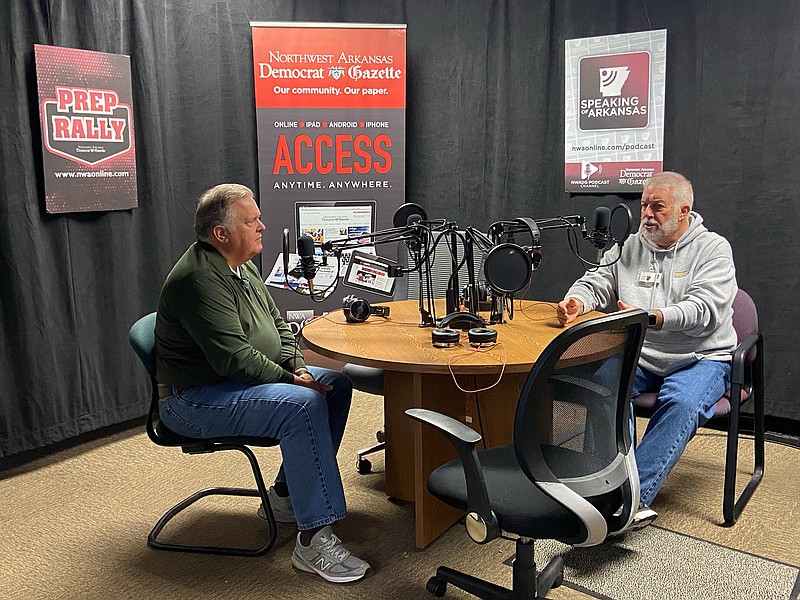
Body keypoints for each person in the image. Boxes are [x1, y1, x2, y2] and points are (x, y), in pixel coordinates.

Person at [154, 183, 369, 583]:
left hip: (235, 384)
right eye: (251, 221)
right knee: (301, 404)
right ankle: (314, 539)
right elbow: (234, 359)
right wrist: (293, 381)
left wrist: (299, 367)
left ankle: (286, 497)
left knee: (334, 386)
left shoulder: (242, 265)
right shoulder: (199, 280)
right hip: (195, 401)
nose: (263, 227)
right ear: (221, 233)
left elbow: (282, 327)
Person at [557, 171, 737, 526]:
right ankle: (607, 481)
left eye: (658, 207)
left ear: (684, 210)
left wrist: (652, 317)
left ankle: (629, 499)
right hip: (641, 352)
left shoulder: (713, 249)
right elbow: (598, 279)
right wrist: (578, 300)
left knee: (682, 402)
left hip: (700, 356)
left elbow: (705, 310)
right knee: (604, 389)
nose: (648, 215)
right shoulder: (629, 244)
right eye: (644, 206)